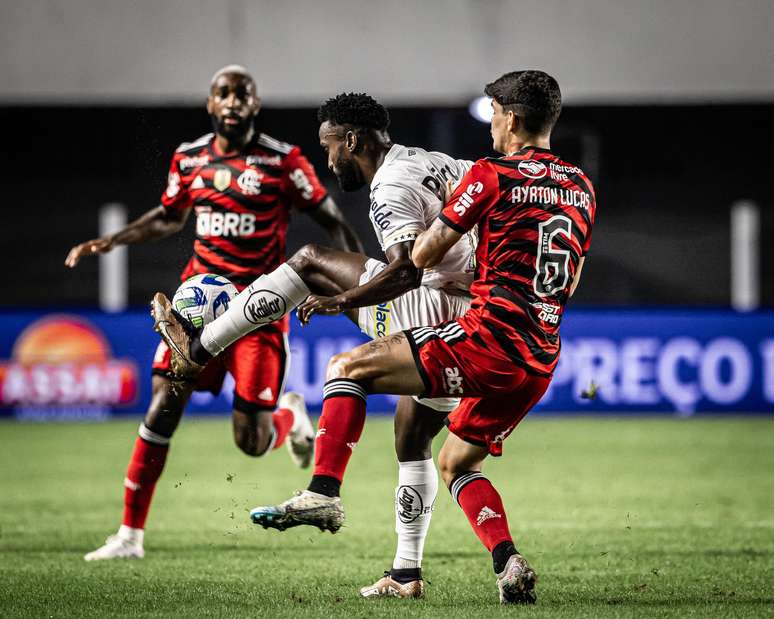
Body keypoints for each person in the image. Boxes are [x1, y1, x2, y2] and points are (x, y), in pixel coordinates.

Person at [243, 70, 596, 604]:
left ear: (514, 118)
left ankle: (323, 492)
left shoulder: (490, 174)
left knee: (347, 368)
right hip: (542, 350)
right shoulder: (582, 186)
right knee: (453, 460)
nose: (493, 124)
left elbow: (417, 261)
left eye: (495, 113)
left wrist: (349, 296)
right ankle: (502, 563)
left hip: (488, 337)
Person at [152, 92, 476, 598]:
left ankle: (199, 348)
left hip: (427, 309)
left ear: (353, 140)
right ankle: (406, 574)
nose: (329, 160)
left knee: (308, 263)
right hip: (467, 324)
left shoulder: (389, 184)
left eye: (330, 147)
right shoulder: (439, 163)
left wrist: (341, 298)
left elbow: (405, 271)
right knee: (413, 442)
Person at [65, 65, 363, 562]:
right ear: (210, 104)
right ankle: (129, 536)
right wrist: (112, 240)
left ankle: (288, 418)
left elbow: (330, 220)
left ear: (254, 104)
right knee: (163, 403)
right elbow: (168, 216)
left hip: (260, 310)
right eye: (223, 94)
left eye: (241, 95)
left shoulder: (283, 161)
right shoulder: (189, 159)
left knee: (251, 442)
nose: (232, 102)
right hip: (195, 310)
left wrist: (363, 284)